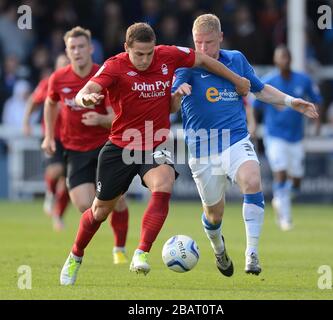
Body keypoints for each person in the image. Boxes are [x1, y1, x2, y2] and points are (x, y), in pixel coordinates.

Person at [59, 22, 250, 285]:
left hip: (155, 144)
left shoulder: (168, 55)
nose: (145, 59)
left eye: (149, 53)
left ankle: (141, 253)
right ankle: (75, 256)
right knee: (100, 211)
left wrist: (237, 79)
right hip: (121, 146)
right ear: (127, 48)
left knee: (164, 184)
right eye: (139, 54)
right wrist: (86, 99)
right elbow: (86, 91)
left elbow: (204, 60)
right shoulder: (115, 65)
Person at [171, 14, 318, 276]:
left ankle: (252, 253)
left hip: (235, 139)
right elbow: (172, 100)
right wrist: (177, 93)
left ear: (220, 38)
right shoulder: (187, 65)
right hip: (203, 150)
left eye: (208, 43)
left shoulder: (236, 59)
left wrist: (290, 101)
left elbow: (260, 89)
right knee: (214, 215)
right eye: (198, 43)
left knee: (252, 180)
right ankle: (218, 249)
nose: (202, 49)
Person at [41, 27, 129, 264]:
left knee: (117, 200)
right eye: (72, 47)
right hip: (75, 151)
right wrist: (49, 136)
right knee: (84, 205)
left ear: (90, 49)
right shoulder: (58, 79)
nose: (77, 51)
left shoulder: (103, 75)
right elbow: (50, 105)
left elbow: (118, 117)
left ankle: (119, 249)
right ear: (67, 51)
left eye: (81, 46)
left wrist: (100, 120)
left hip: (105, 148)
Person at [253, 44, 322, 231]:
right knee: (281, 172)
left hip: (296, 137)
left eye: (286, 57)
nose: (283, 60)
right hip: (274, 135)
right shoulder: (268, 81)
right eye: (280, 57)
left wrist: (317, 123)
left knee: (297, 180)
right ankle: (285, 217)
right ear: (275, 60)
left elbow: (316, 99)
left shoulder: (303, 80)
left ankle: (282, 198)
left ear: (290, 59)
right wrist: (252, 124)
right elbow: (253, 104)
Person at [23, 54, 71, 231]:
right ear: (57, 66)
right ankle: (50, 194)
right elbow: (34, 101)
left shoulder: (80, 83)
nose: (66, 66)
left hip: (74, 138)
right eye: (63, 64)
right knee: (56, 170)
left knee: (68, 182)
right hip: (53, 136)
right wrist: (26, 122)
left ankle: (58, 216)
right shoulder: (49, 82)